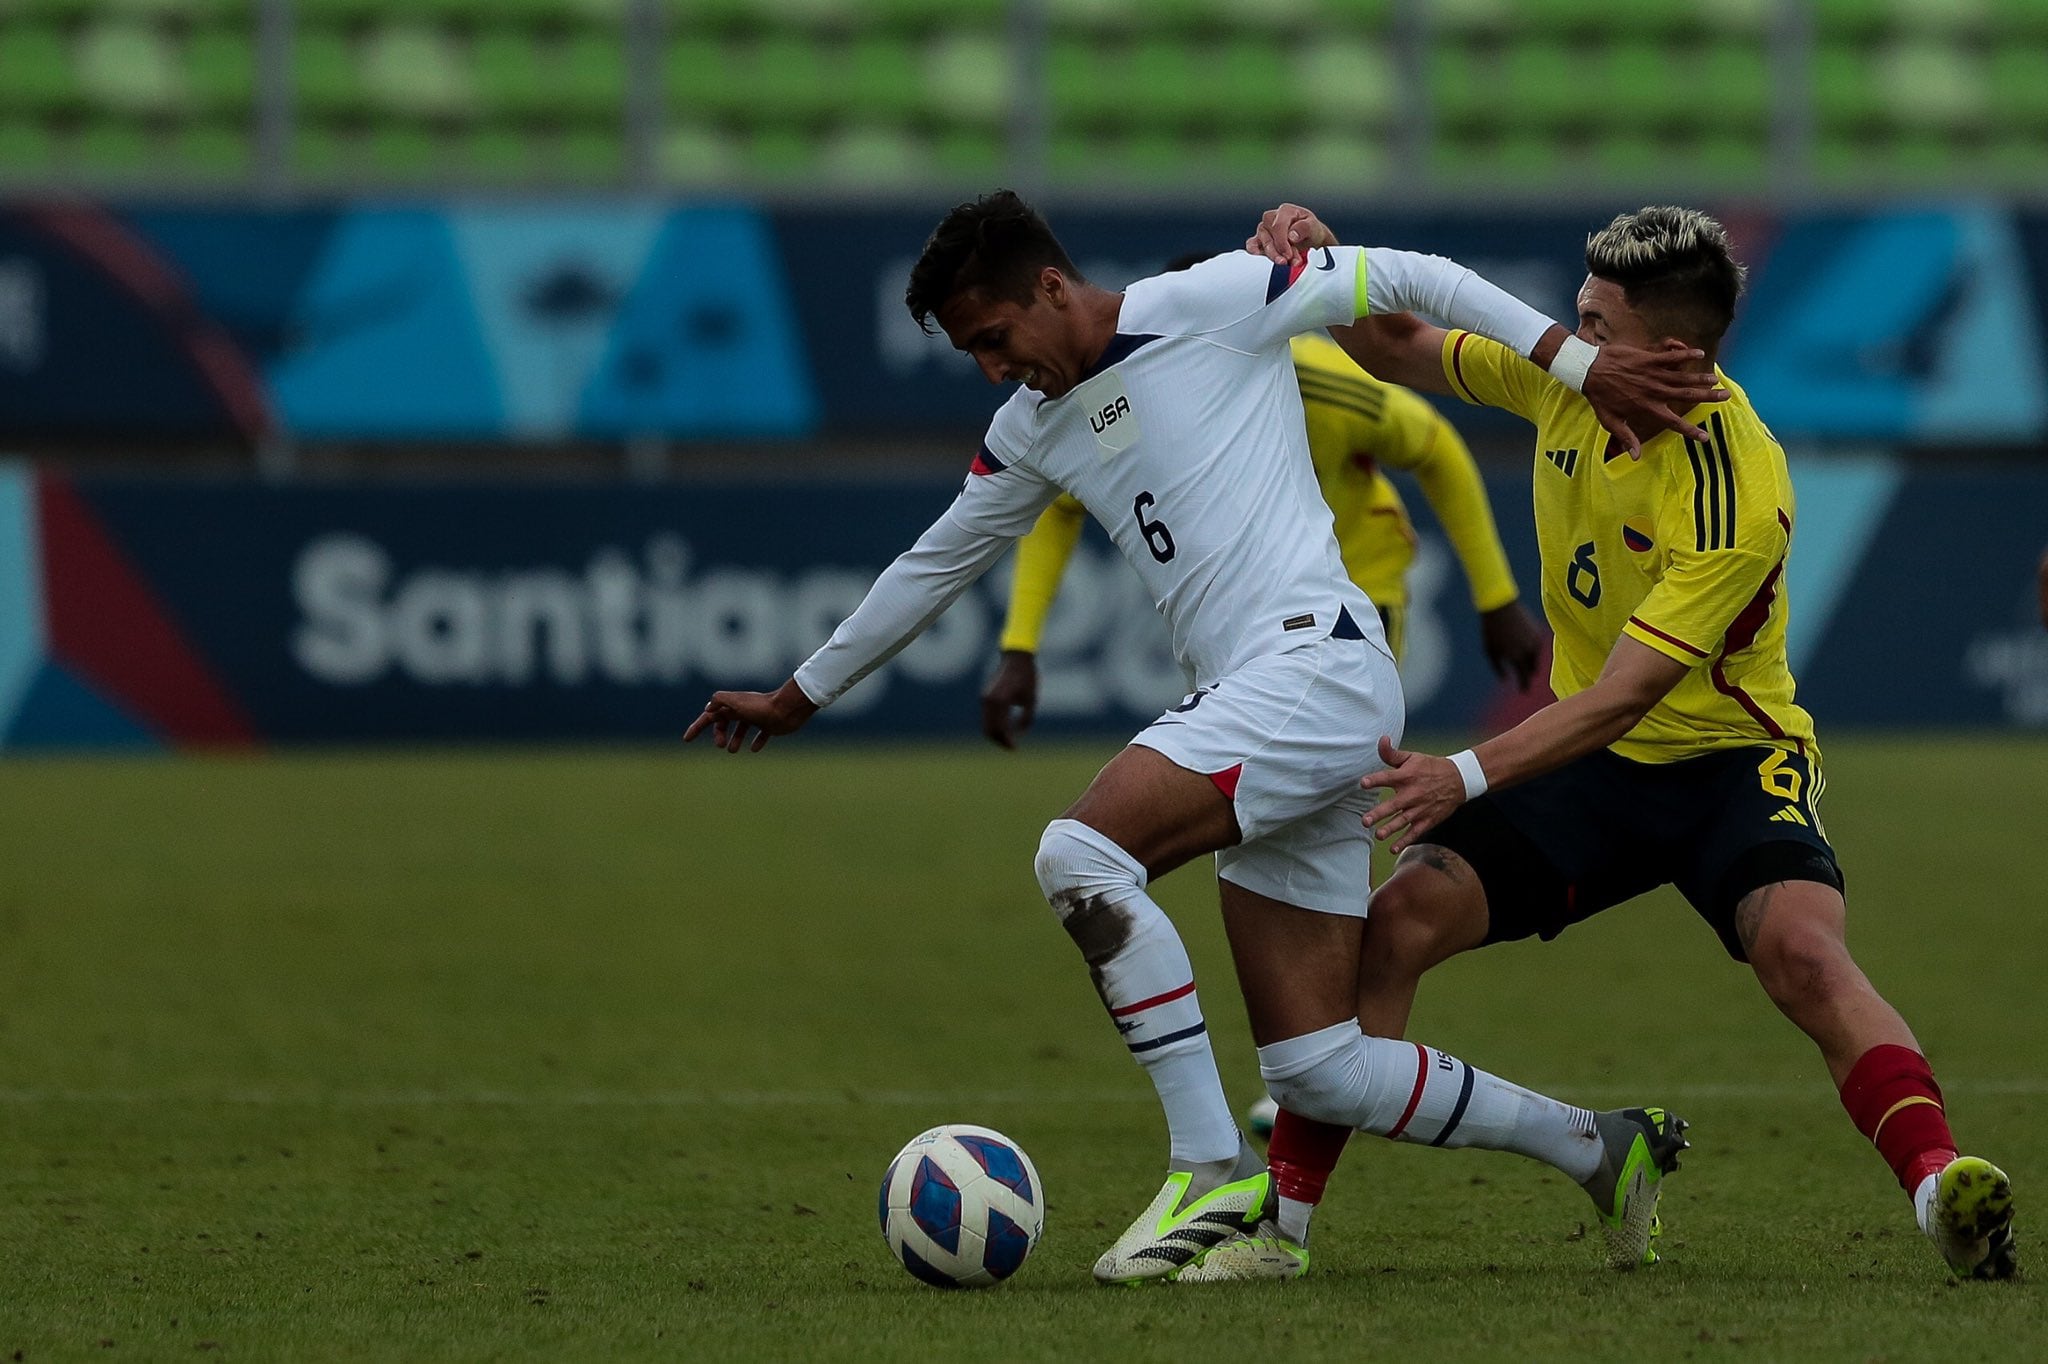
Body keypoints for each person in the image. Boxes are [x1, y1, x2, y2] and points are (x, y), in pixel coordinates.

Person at [685, 190, 1717, 1284]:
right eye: (969, 352)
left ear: (1049, 286)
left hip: (1310, 668)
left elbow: (1412, 275)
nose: (991, 368)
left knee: (1079, 854)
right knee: (1319, 1067)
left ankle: (1209, 1164)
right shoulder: (1029, 426)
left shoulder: (1207, 302)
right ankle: (1598, 1147)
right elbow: (935, 562)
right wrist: (801, 694)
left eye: (993, 337)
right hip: (1279, 700)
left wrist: (1575, 365)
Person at [1203, 201, 2017, 1284]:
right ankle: (1281, 1230)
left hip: (1726, 761)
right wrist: (1317, 258)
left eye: (1592, 322)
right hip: (1589, 770)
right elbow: (1392, 341)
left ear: (1669, 354)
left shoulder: (1738, 487)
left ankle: (1940, 1190)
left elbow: (1626, 697)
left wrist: (1462, 774)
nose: (1563, 334)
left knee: (1804, 956)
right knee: (1396, 924)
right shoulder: (1562, 377)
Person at [979, 251, 1544, 752]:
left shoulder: (1329, 386)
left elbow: (1435, 447)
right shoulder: (1132, 397)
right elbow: (1062, 506)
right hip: (1239, 613)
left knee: (1325, 775)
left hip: (1356, 591)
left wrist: (1496, 596)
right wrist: (1019, 646)